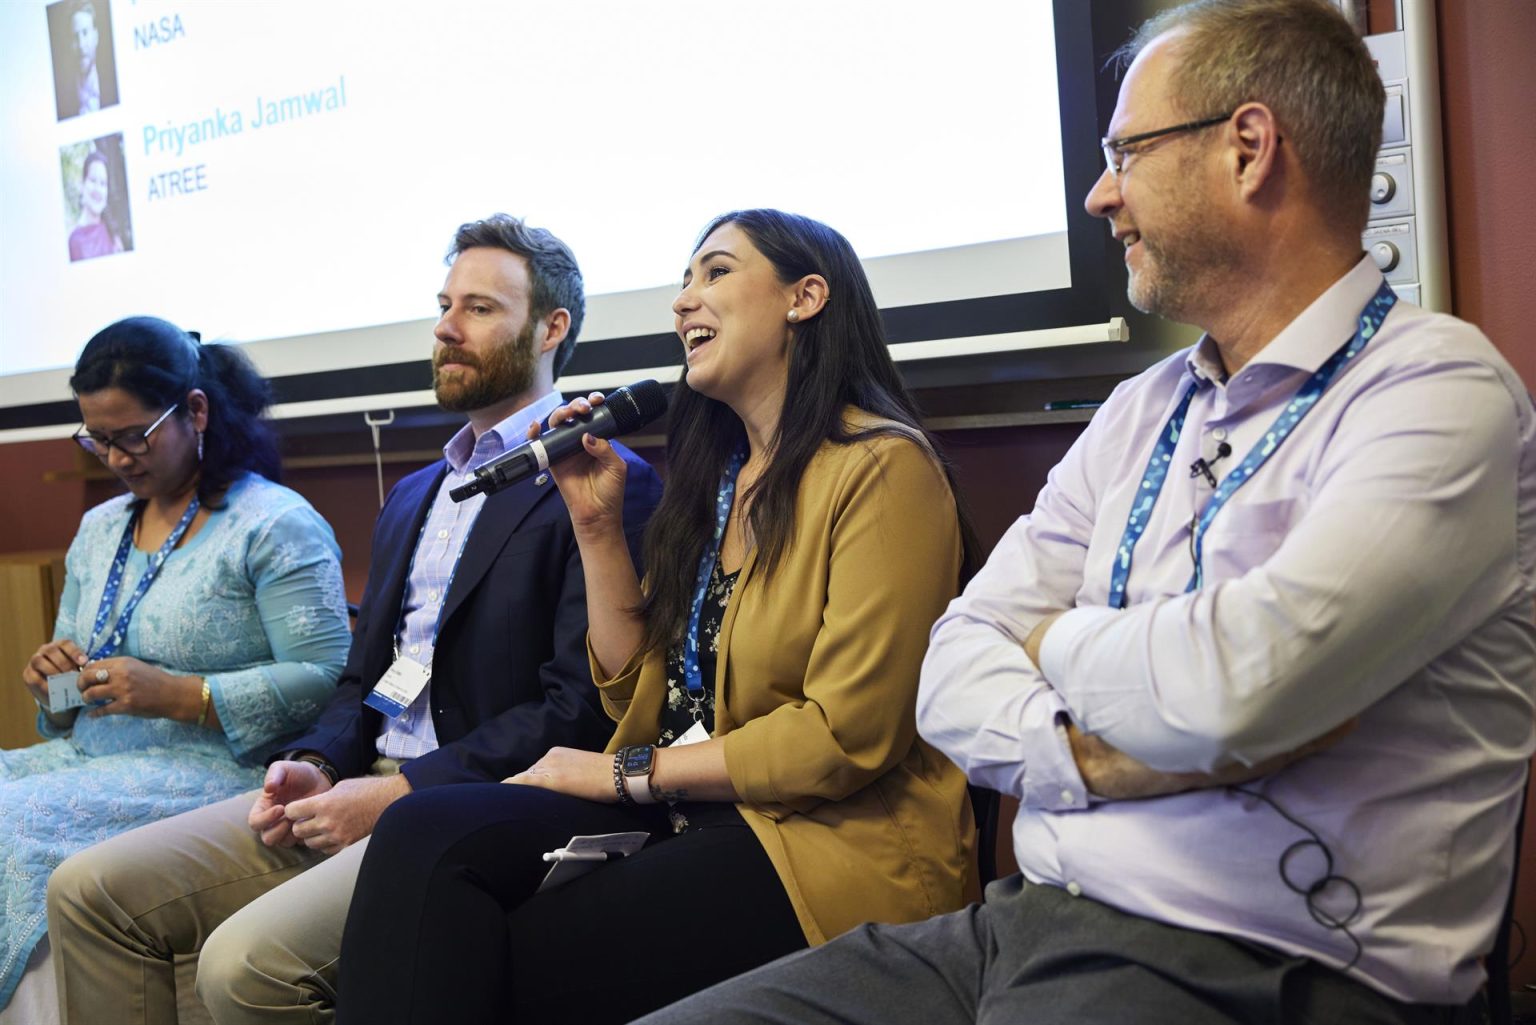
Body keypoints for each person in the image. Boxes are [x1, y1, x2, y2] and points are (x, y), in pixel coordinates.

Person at [631, 3, 1536, 1024]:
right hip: (1027, 918)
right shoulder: (1142, 409)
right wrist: (1097, 751)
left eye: (1127, 152)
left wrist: (1053, 634)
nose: (1102, 193)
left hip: (1263, 960)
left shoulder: (1436, 389)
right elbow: (955, 663)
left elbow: (1238, 687)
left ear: (1248, 149)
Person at [333, 209, 978, 1025]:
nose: (683, 303)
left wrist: (620, 773)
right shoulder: (723, 478)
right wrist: (596, 526)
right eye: (682, 280)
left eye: (714, 273)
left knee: (523, 950)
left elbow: (845, 734)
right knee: (423, 832)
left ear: (805, 298)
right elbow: (642, 697)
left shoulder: (882, 466)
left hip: (829, 835)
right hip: (699, 806)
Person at [45, 215, 663, 1025]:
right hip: (361, 782)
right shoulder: (416, 494)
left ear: (553, 328)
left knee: (242, 967)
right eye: (443, 304)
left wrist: (403, 789)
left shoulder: (604, 482)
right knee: (88, 891)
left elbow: (581, 705)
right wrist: (315, 758)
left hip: (472, 800)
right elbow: (364, 680)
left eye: (477, 308)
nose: (444, 327)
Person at [1, 316, 351, 1021]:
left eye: (134, 434)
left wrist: (185, 694)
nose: (117, 456)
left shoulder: (272, 522)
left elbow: (327, 674)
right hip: (88, 753)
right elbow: (75, 690)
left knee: (12, 820)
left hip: (219, 763)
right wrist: (54, 683)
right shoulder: (101, 527)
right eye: (96, 438)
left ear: (195, 411)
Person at [66, 150, 124, 262]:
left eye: (103, 183)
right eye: (93, 180)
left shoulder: (112, 233)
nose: (98, 189)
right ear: (82, 184)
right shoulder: (75, 241)